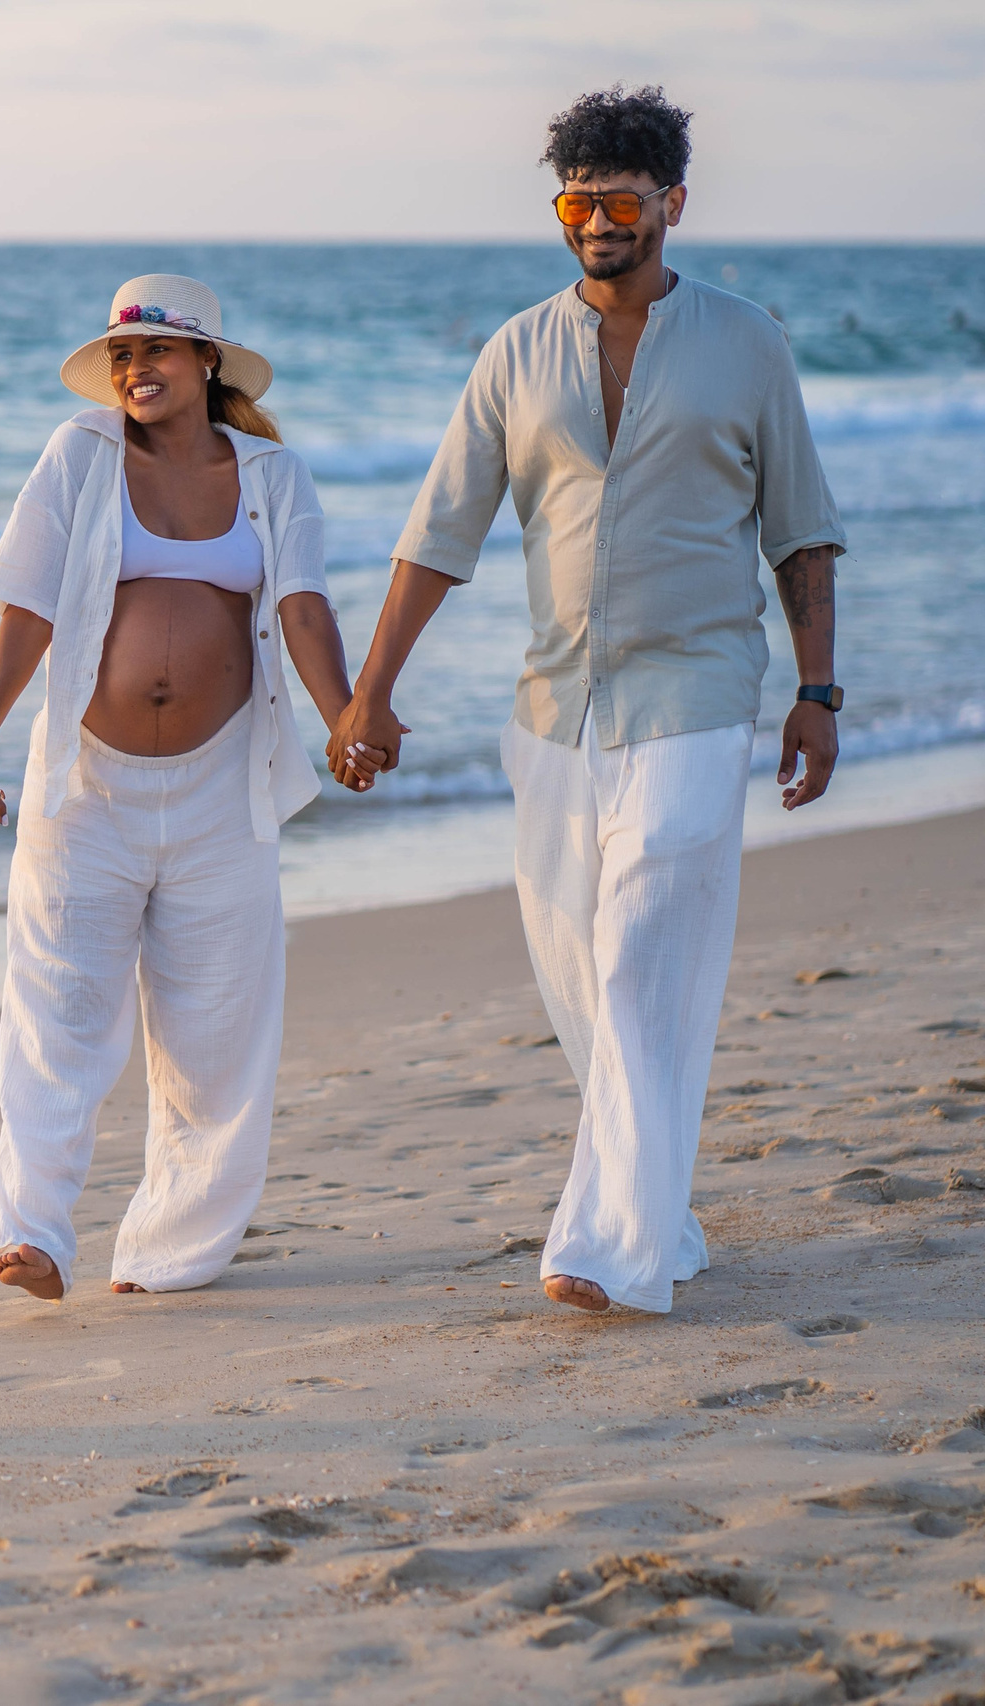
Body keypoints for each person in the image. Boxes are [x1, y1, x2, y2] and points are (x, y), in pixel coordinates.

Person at [330, 86, 846, 1315]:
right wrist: (368, 696)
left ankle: (602, 1246)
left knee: (637, 962)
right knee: (579, 977)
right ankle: (660, 1211)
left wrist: (816, 691)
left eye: (619, 200)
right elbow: (435, 535)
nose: (595, 222)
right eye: (575, 201)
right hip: (554, 707)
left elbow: (803, 535)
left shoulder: (747, 342)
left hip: (700, 692)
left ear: (672, 203)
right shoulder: (514, 349)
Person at [0, 274, 364, 1301]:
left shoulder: (272, 473)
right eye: (123, 356)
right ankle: (31, 1228)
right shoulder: (78, 456)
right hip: (87, 785)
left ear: (206, 362)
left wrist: (347, 715)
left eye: (157, 353)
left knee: (217, 1028)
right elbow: (26, 609)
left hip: (225, 785)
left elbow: (302, 607)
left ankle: (172, 1250)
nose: (136, 371)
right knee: (57, 1007)